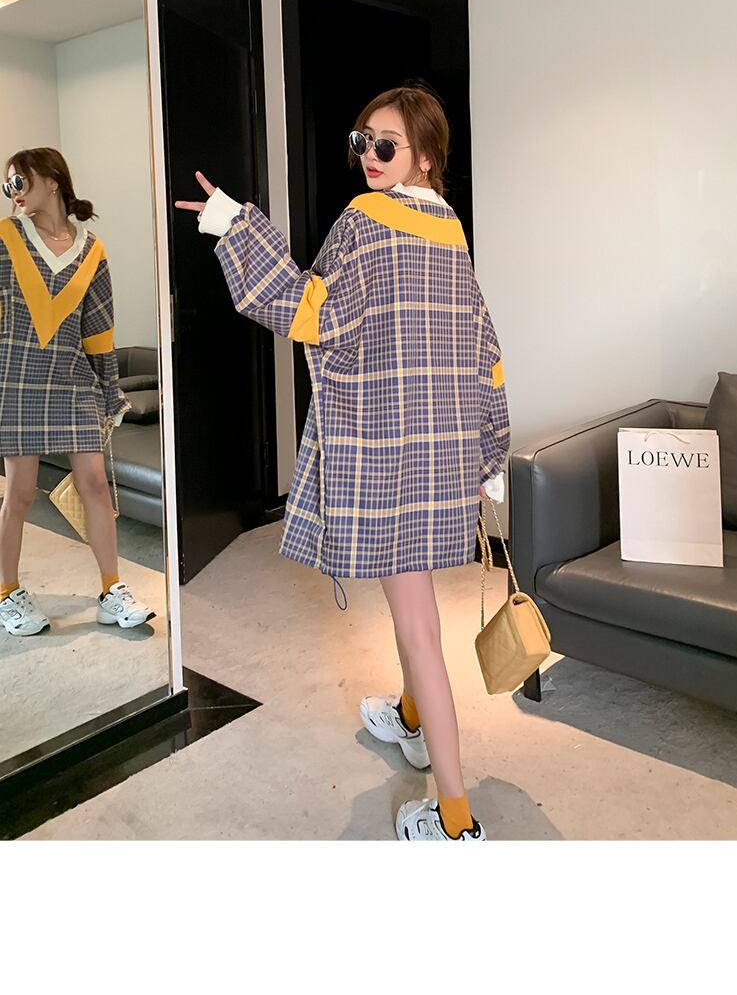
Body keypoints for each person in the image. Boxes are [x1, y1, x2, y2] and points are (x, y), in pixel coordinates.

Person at [176, 83, 509, 841]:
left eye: (385, 144)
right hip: (441, 454)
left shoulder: (366, 220)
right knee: (411, 603)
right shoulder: (450, 230)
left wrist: (234, 224)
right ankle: (412, 720)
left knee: (418, 625)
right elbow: (483, 344)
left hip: (388, 456)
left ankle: (455, 817)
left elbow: (310, 309)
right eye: (361, 142)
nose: (369, 156)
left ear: (426, 156)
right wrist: (491, 442)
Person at [0, 148, 153, 636]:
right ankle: (7, 593)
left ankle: (112, 590)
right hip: (16, 379)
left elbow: (99, 330)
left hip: (74, 381)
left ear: (51, 180)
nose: (13, 192)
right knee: (21, 492)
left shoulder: (92, 250)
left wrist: (110, 392)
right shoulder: (6, 238)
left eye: (19, 181)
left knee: (95, 484)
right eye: (7, 185)